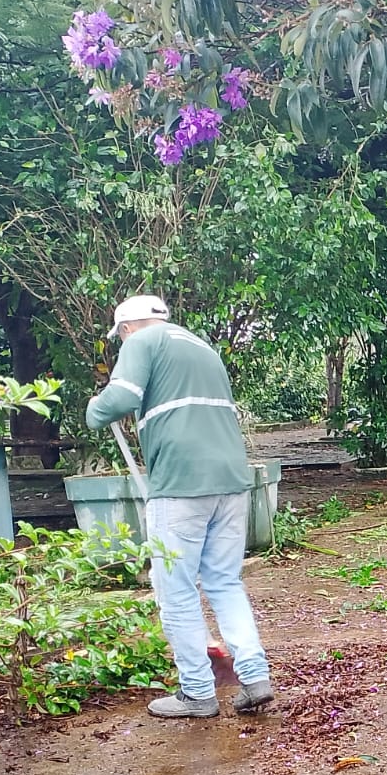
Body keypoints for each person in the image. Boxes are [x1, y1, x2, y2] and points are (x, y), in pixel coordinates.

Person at [86, 295, 276, 719]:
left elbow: (119, 398)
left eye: (119, 337)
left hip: (181, 482)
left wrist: (93, 411)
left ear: (127, 328)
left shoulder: (141, 342)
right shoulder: (202, 346)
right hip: (230, 479)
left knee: (176, 589)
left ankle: (197, 692)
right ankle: (255, 675)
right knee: (224, 582)